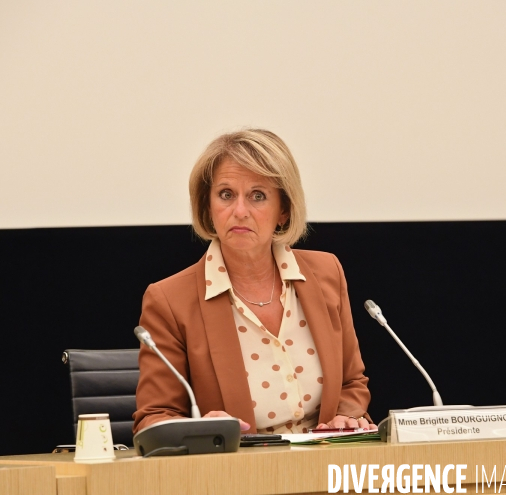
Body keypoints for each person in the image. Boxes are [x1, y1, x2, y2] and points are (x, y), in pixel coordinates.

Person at [133, 129, 376, 435]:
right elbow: (154, 416)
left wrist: (347, 416)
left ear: (283, 210)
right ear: (208, 207)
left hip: (323, 466)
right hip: (238, 474)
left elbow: (351, 383)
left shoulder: (325, 272)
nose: (239, 211)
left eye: (257, 196)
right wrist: (198, 430)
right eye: (226, 195)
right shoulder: (169, 300)